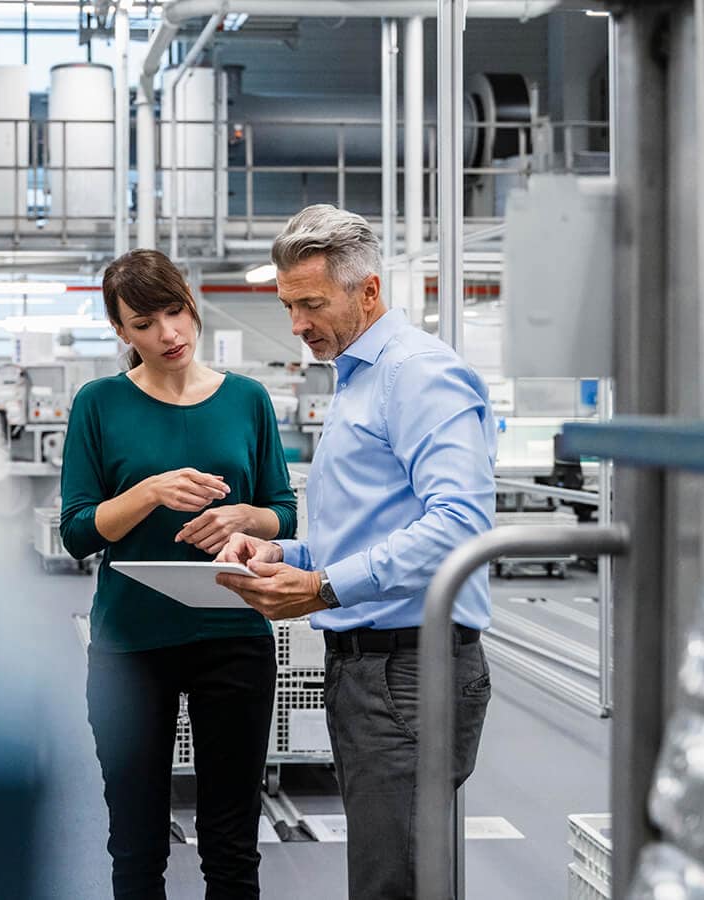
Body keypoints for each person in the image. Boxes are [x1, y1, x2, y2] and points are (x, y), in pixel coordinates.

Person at [215, 205, 496, 900]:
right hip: (373, 669)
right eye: (288, 305)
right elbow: (364, 532)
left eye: (311, 304)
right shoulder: (357, 375)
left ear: (368, 291)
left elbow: (461, 521)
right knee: (395, 875)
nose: (298, 324)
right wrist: (288, 553)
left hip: (409, 669)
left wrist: (325, 589)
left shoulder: (416, 374)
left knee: (393, 883)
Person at [59, 248, 297, 900]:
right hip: (132, 645)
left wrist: (247, 517)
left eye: (175, 311)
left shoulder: (247, 400)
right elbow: (78, 531)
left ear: (191, 304)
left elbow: (283, 511)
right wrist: (149, 491)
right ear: (121, 331)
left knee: (231, 845)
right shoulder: (99, 404)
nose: (168, 333)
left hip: (234, 635)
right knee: (136, 845)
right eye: (144, 323)